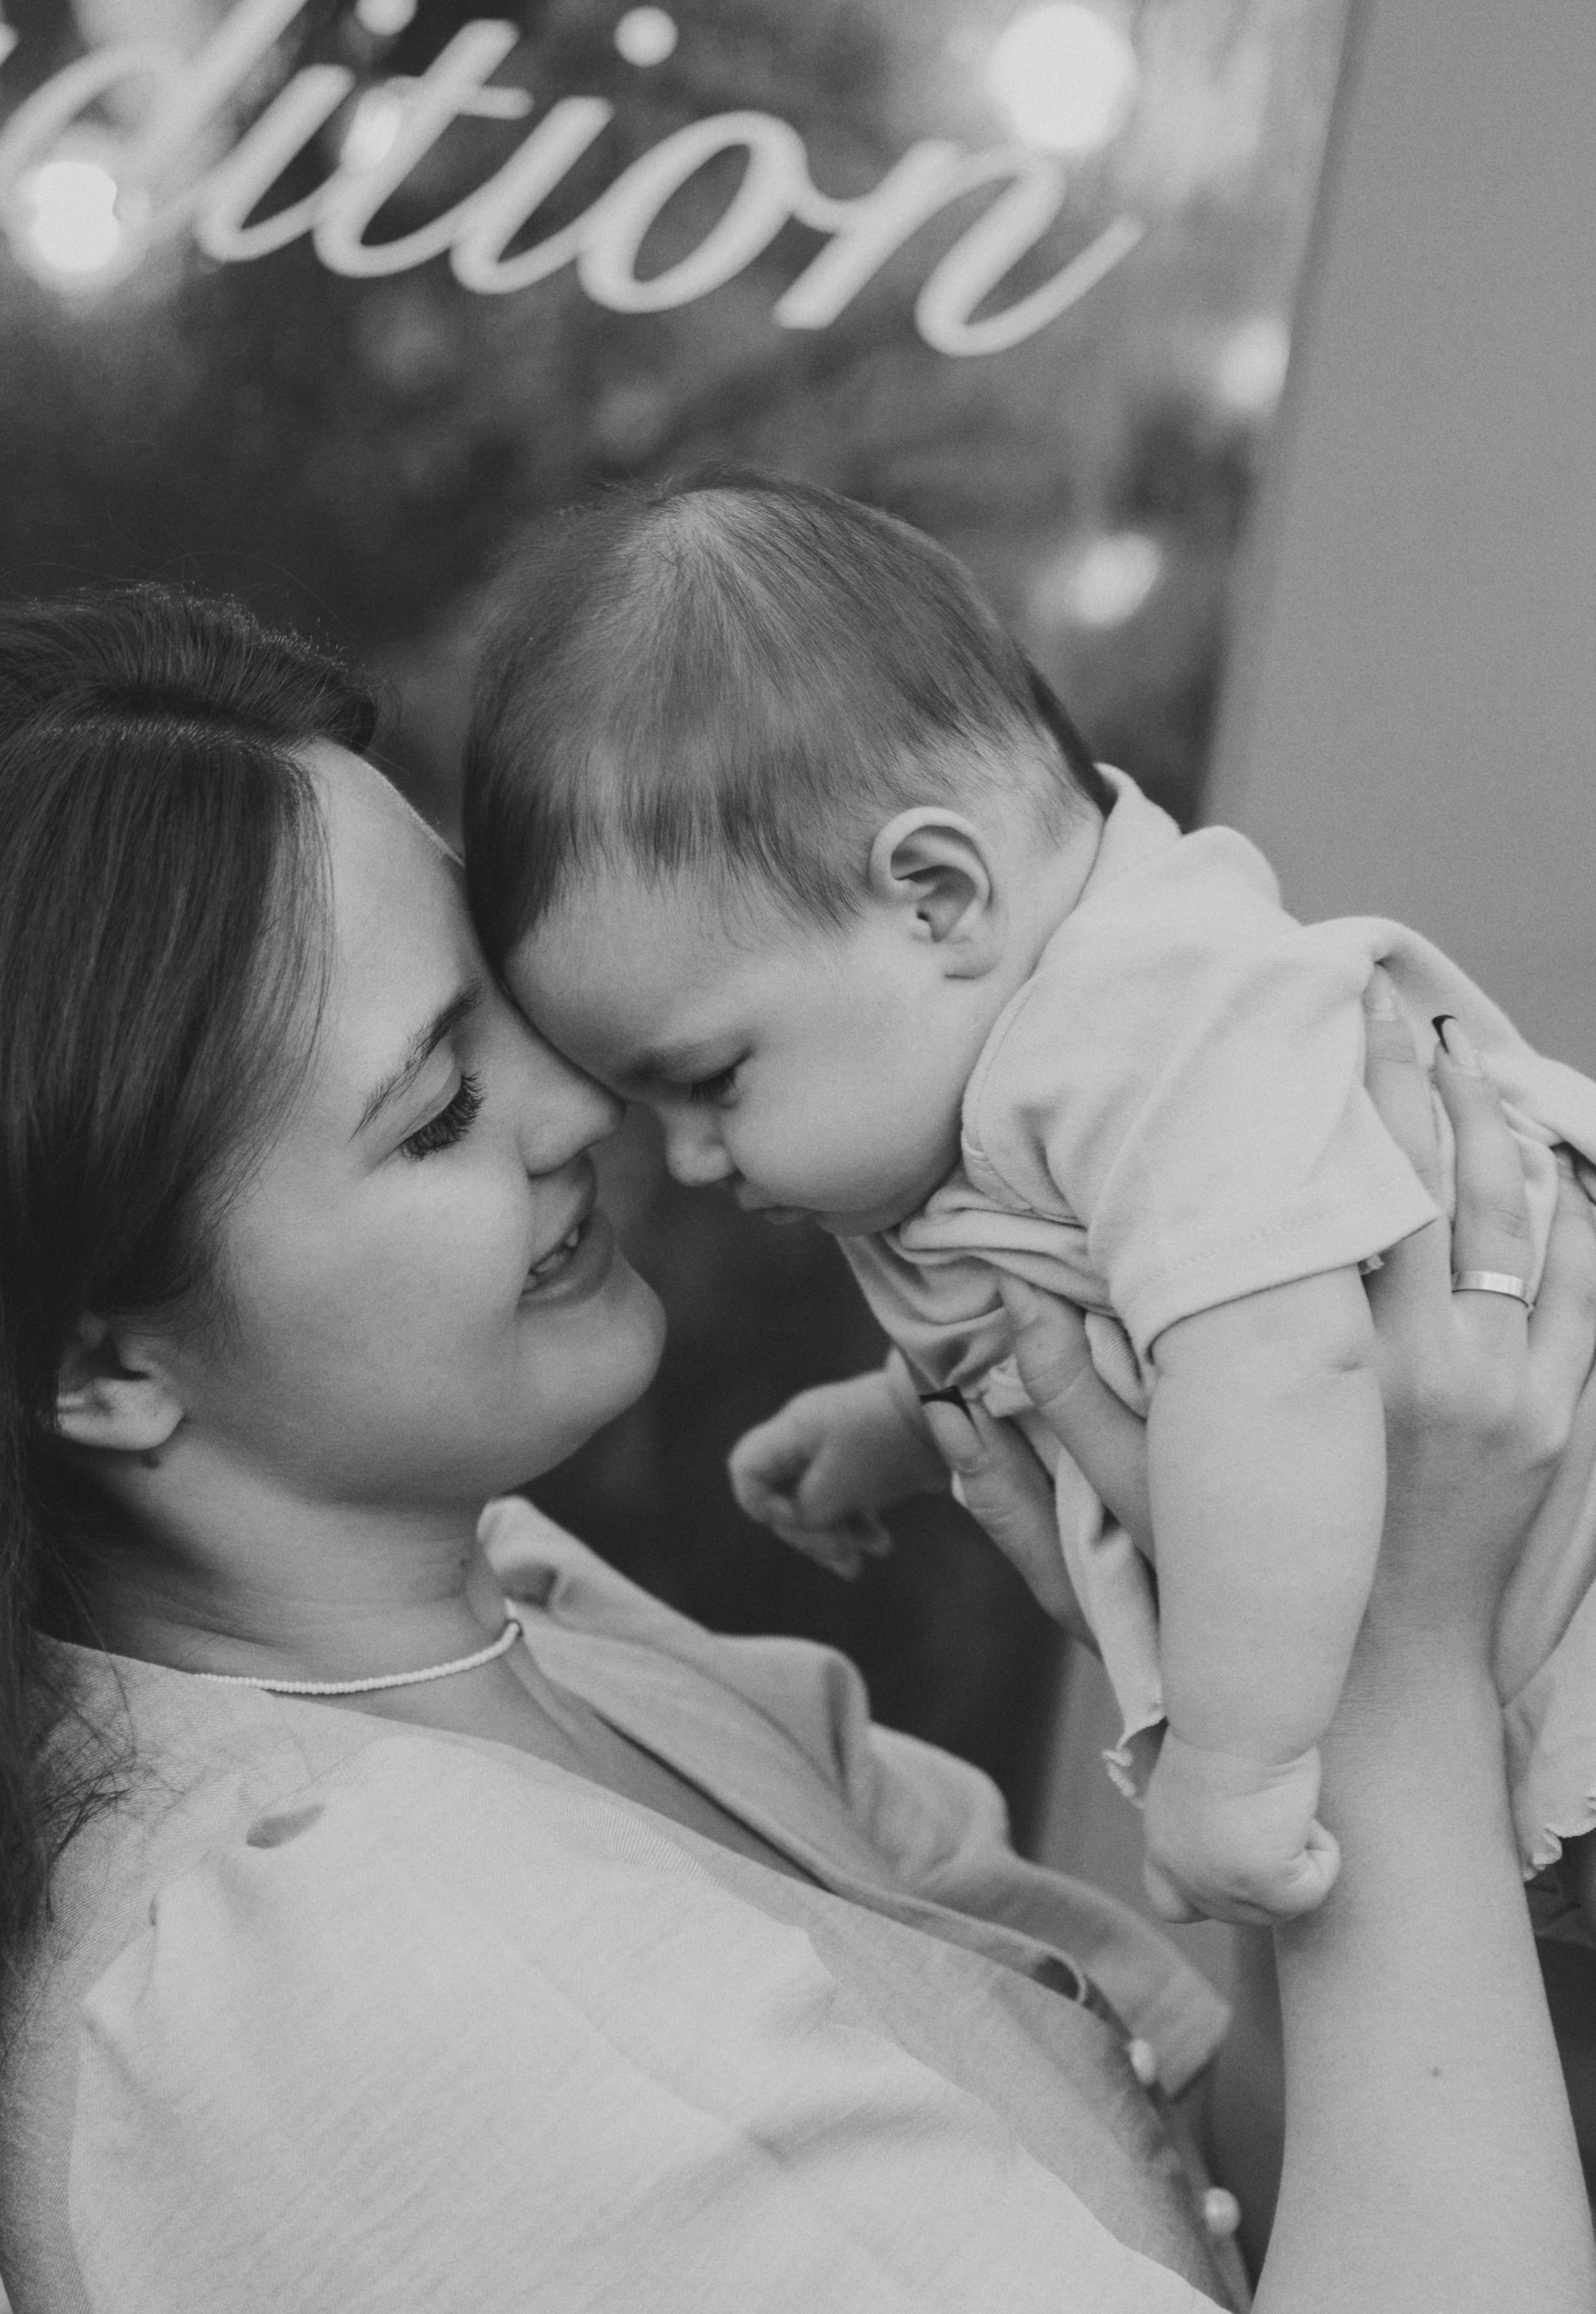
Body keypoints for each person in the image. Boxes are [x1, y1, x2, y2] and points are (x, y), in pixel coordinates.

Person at [0, 585, 1590, 2314]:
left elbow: (1239, 2189)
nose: (587, 1110)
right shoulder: (333, 2005)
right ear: (105, 1367)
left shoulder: (541, 1619)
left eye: (509, 1010)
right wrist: (1378, 1659)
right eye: (438, 1110)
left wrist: (1246, 1615)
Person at [461, 471, 1596, 1927]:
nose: (687, 1158)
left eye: (710, 1080)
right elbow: (1091, 1295)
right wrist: (900, 1422)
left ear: (936, 898)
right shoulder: (1030, 1072)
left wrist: (1238, 1763)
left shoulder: (1152, 1018)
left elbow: (1278, 1360)